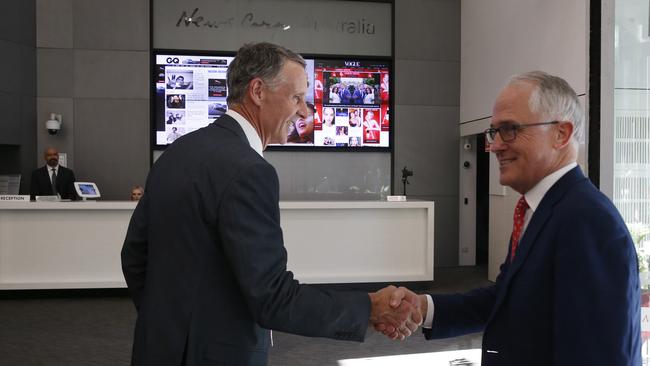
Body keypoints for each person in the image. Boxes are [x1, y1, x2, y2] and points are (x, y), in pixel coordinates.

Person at [121, 42, 421, 366]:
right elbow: (273, 297)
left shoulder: (177, 152)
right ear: (258, 91)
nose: (305, 112)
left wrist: (168, 324)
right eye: (297, 98)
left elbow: (135, 255)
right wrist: (370, 307)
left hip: (156, 347)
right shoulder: (250, 171)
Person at [381, 71, 641, 365]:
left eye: (510, 129)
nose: (494, 146)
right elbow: (505, 298)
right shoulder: (540, 209)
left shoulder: (588, 223)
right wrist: (423, 307)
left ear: (561, 134)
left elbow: (599, 356)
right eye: (494, 132)